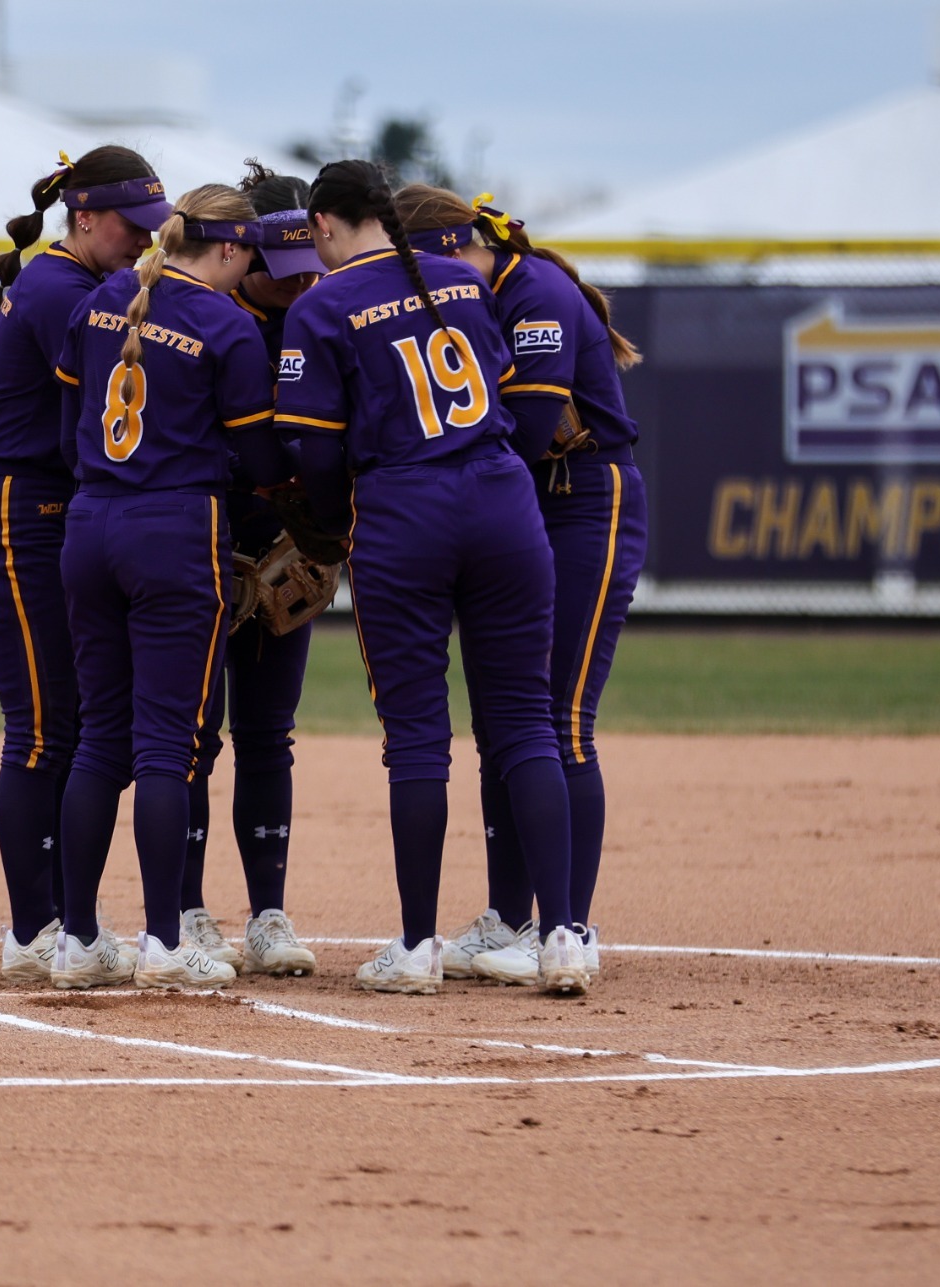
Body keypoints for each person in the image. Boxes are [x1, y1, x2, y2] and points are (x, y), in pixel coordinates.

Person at [276, 159, 587, 995]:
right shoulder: (460, 280)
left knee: (417, 737)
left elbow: (311, 444)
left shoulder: (322, 303)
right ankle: (559, 935)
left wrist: (332, 520)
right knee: (525, 723)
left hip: (404, 510)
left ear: (324, 226)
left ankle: (417, 945)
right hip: (502, 501)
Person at [393, 186, 648, 986]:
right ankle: (510, 919)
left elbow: (532, 431)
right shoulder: (477, 294)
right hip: (521, 507)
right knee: (505, 726)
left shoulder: (533, 291)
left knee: (558, 719)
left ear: (444, 248)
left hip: (584, 501)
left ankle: (570, 925)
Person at [49, 183, 294, 990]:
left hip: (90, 523)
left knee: (98, 741)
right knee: (167, 744)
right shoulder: (227, 324)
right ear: (227, 248)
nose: (250, 269)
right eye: (249, 254)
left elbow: (65, 428)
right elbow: (260, 465)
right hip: (175, 531)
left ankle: (79, 939)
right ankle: (163, 941)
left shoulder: (104, 298)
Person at [0, 147, 174, 985]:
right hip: (14, 512)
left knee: (70, 724)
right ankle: (33, 927)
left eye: (157, 230)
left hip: (45, 510)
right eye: (133, 227)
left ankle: (47, 919)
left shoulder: (70, 284)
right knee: (45, 726)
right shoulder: (58, 290)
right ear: (85, 217)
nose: (144, 244)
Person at [176, 162, 326, 977]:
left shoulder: (317, 313)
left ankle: (267, 915)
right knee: (193, 740)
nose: (298, 281)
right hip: (199, 551)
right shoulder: (203, 315)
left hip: (279, 554)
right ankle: (189, 912)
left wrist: (317, 538)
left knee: (268, 736)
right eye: (281, 265)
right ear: (241, 253)